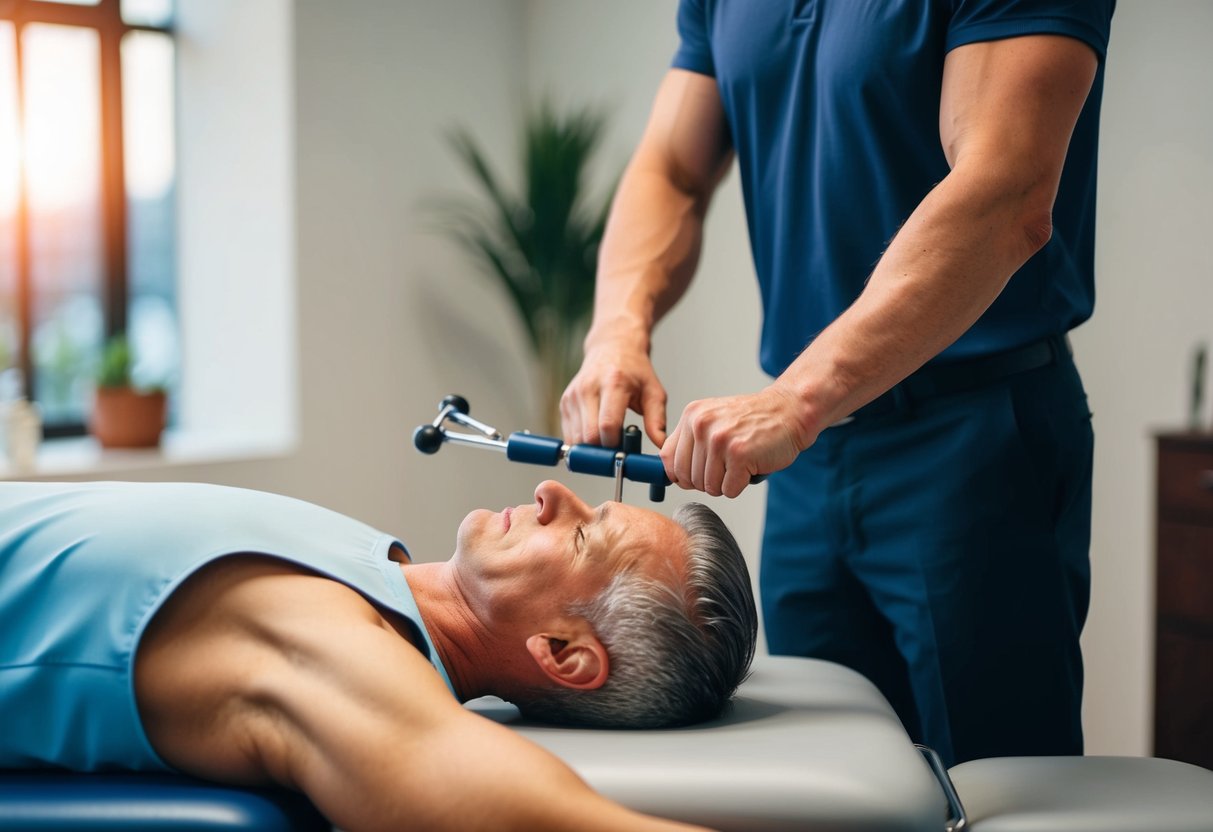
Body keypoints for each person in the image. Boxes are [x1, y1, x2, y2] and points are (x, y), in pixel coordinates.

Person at [561, 1, 1115, 767]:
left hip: (972, 441)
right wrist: (616, 331)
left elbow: (1005, 188)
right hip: (810, 466)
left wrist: (797, 399)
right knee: (820, 777)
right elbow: (673, 169)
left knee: (997, 785)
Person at [0, 479, 756, 832]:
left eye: (584, 535)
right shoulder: (370, 565)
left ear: (563, 653)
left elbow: (516, 806)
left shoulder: (342, 648)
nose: (554, 493)